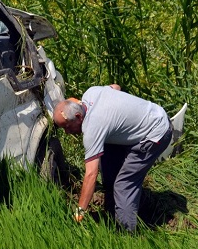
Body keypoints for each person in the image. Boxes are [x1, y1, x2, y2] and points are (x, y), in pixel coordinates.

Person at [53, 85, 172, 231]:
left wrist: (79, 213)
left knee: (124, 184)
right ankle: (114, 207)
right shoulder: (91, 93)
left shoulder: (93, 129)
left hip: (155, 134)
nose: (67, 132)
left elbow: (91, 174)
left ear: (78, 117)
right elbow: (116, 87)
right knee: (106, 152)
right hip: (153, 114)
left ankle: (126, 234)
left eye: (67, 127)